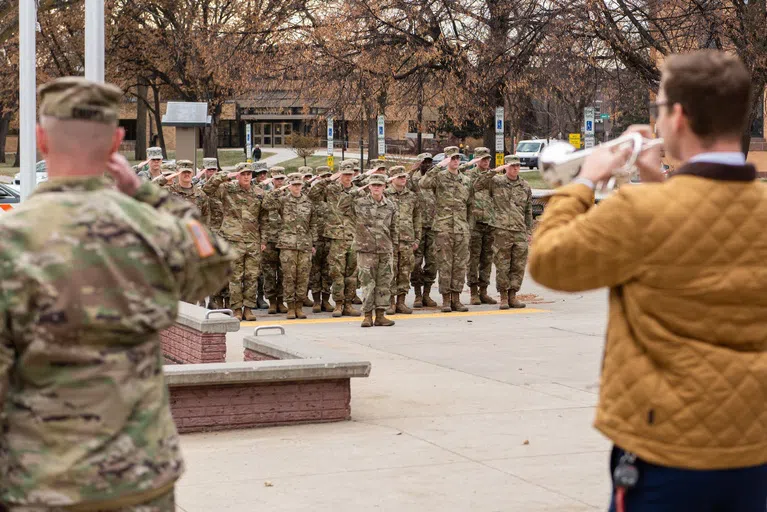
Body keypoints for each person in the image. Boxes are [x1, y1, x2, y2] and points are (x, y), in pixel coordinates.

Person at [529, 49, 767, 511]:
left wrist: (585, 182)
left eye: (658, 108)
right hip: (753, 442)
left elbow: (549, 261)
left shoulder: (638, 214)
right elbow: (704, 239)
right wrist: (657, 182)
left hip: (666, 448)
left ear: (676, 117)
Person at [0, 76, 232, 511]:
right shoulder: (154, 229)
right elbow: (214, 257)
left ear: (40, 139)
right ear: (117, 142)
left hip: (43, 488)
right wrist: (147, 194)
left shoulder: (10, 244)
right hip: (141, 484)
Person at [202, 162, 266, 321]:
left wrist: (263, 240)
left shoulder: (259, 193)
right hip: (233, 239)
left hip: (252, 241)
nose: (246, 177)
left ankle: (248, 309)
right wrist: (226, 175)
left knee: (252, 276)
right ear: (237, 175)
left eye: (249, 174)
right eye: (243, 174)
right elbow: (207, 190)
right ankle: (236, 308)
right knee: (235, 276)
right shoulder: (227, 189)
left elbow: (264, 218)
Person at [419, 146, 473, 313]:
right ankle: (446, 300)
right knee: (445, 264)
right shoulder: (439, 177)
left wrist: (468, 227)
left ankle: (456, 298)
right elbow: (423, 183)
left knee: (460, 265)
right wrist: (438, 167)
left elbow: (470, 205)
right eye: (452, 158)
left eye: (457, 158)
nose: (455, 161)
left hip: (461, 228)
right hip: (443, 227)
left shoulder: (466, 180)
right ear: (446, 159)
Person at [341, 174, 398, 327]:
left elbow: (394, 228)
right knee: (367, 283)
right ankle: (367, 316)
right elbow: (341, 206)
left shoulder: (391, 205)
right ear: (369, 187)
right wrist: (354, 190)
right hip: (366, 249)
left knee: (384, 283)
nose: (377, 187)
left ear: (384, 187)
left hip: (385, 249)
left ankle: (380, 315)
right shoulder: (360, 203)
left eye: (379, 185)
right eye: (374, 185)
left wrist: (394, 246)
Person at [474, 154, 532, 309]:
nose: (515, 169)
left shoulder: (525, 186)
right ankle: (504, 297)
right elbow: (477, 185)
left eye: (517, 166)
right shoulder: (497, 182)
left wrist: (529, 231)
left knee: (518, 266)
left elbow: (528, 210)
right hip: (501, 230)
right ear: (506, 167)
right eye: (512, 166)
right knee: (502, 265)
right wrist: (494, 171)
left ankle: (513, 295)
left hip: (519, 231)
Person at [262, 173, 317, 320]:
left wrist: (313, 243)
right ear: (289, 186)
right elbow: (266, 204)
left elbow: (313, 224)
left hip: (304, 244)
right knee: (288, 277)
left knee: (303, 277)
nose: (297, 187)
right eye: (293, 185)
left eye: (299, 184)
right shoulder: (283, 200)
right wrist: (278, 190)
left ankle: (299, 306)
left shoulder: (308, 202)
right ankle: (290, 307)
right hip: (287, 245)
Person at [309, 162, 360, 317]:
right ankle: (338, 303)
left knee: (351, 273)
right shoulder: (331, 189)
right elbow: (312, 194)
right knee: (336, 272)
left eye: (349, 174)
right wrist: (329, 179)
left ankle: (349, 304)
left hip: (353, 237)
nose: (347, 177)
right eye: (344, 174)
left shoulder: (359, 192)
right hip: (336, 237)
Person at [385, 165, 421, 315]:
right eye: (400, 177)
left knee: (405, 272)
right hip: (390, 240)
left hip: (407, 240)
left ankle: (401, 302)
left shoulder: (412, 196)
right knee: (390, 271)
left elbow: (417, 218)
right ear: (392, 178)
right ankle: (390, 302)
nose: (403, 179)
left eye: (404, 177)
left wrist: (417, 238)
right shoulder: (385, 195)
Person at [464, 147, 498, 305]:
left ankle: (484, 290)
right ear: (476, 160)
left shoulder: (494, 176)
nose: (486, 162)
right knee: (473, 259)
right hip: (475, 223)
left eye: (488, 159)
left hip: (489, 221)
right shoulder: (469, 175)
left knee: (487, 259)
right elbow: (474, 187)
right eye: (483, 159)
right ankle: (473, 292)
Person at [408, 153, 439, 308]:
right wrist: (411, 170)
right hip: (418, 229)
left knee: (432, 263)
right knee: (416, 263)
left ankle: (427, 294)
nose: (427, 165)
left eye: (429, 162)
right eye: (424, 162)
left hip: (434, 227)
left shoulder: (434, 180)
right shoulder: (413, 180)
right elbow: (401, 183)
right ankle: (418, 295)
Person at [261, 168, 289, 314]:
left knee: (284, 272)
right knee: (269, 272)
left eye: (281, 179)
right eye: (277, 179)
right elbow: (264, 205)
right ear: (272, 179)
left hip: (285, 239)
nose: (279, 182)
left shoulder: (289, 193)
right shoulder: (266, 193)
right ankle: (272, 301)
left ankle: (281, 300)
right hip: (270, 238)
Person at [308, 165, 334, 313]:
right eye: (323, 177)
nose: (326, 180)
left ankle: (326, 299)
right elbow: (314, 191)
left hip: (330, 238)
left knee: (327, 270)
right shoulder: (313, 197)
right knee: (315, 271)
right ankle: (316, 300)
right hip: (316, 239)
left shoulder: (332, 197)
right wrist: (326, 180)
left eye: (328, 177)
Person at [155, 159, 210, 226]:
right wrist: (165, 179)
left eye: (189, 172)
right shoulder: (169, 191)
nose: (186, 174)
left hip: (193, 232)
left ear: (192, 173)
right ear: (178, 173)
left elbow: (205, 218)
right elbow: (151, 187)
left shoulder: (201, 194)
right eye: (183, 172)